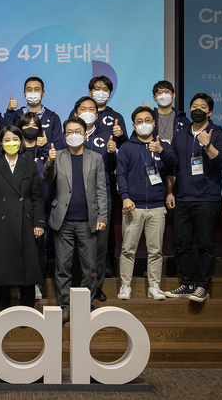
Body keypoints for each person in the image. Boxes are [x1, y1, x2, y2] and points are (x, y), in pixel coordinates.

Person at [164, 93, 222, 303]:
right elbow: (173, 164)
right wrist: (170, 191)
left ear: (210, 112)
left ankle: (203, 286)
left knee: (205, 244)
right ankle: (187, 284)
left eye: (202, 106)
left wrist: (207, 145)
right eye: (194, 106)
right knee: (181, 244)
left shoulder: (217, 134)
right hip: (182, 197)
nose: (197, 109)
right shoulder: (180, 134)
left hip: (207, 198)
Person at [42, 117, 108, 323]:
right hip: (63, 221)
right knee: (63, 267)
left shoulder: (96, 158)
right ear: (64, 136)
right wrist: (49, 162)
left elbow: (101, 189)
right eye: (69, 132)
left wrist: (102, 216)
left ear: (85, 134)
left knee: (89, 268)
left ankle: (86, 306)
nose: (74, 135)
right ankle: (64, 306)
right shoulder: (58, 156)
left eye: (78, 131)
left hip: (88, 221)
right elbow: (47, 178)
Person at [0, 125, 45, 312]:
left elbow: (36, 196)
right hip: (1, 224)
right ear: (0, 143)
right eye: (7, 140)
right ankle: (3, 313)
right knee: (1, 270)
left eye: (15, 139)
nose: (11, 143)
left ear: (20, 142)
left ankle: (28, 313)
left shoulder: (30, 164)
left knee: (27, 271)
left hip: (25, 222)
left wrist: (39, 222)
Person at [116, 106, 177, 301]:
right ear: (134, 125)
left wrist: (161, 151)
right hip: (133, 206)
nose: (144, 124)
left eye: (148, 120)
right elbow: (120, 174)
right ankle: (125, 286)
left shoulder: (162, 144)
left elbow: (173, 164)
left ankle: (154, 286)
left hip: (157, 206)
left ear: (154, 122)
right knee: (128, 249)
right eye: (140, 121)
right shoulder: (126, 147)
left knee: (156, 250)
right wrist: (125, 196)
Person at [72, 96, 116, 302]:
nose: (87, 112)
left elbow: (113, 167)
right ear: (76, 113)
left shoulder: (106, 135)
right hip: (75, 199)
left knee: (99, 247)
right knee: (77, 247)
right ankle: (77, 288)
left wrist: (112, 153)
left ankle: (96, 287)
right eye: (83, 109)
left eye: (92, 109)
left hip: (101, 197)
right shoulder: (70, 135)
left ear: (97, 115)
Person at [17, 112, 52, 300]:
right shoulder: (16, 150)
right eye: (26, 125)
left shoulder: (46, 149)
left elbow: (50, 173)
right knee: (20, 248)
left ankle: (37, 284)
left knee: (41, 248)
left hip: (42, 205)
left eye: (34, 125)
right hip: (19, 207)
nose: (30, 128)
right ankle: (22, 284)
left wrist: (45, 148)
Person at [4, 76, 63, 147]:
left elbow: (57, 145)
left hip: (45, 154)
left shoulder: (53, 118)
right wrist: (9, 111)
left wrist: (46, 145)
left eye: (36, 89)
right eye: (29, 90)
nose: (33, 92)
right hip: (21, 154)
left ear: (43, 93)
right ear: (24, 93)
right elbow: (7, 136)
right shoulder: (16, 115)